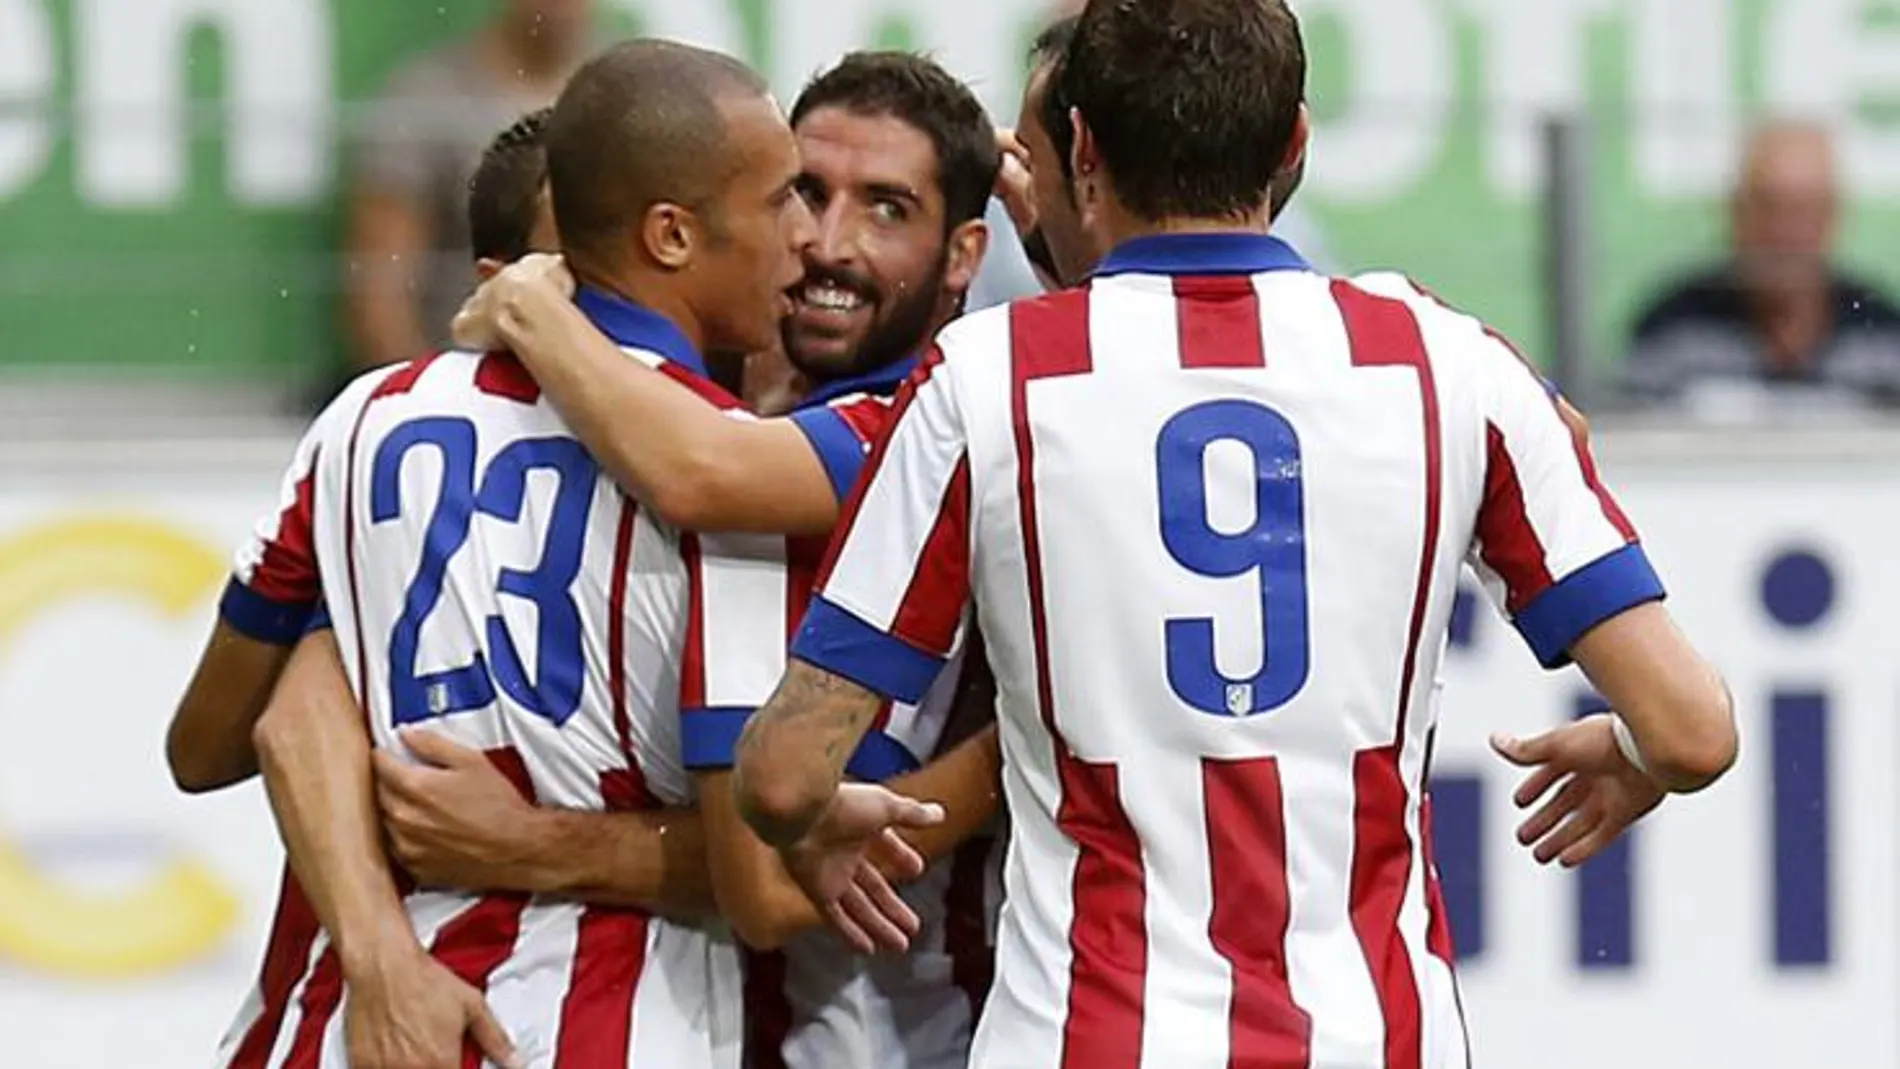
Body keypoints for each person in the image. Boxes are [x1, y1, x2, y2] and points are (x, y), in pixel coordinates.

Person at [732, 6, 1738, 1069]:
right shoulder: (1450, 363)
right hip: (1373, 1037)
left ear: (1080, 149)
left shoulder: (988, 380)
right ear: (1296, 142)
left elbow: (788, 774)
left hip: (1086, 1035)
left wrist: (814, 817)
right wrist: (1634, 758)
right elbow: (1690, 730)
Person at [207, 40, 837, 1069]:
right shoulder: (738, 480)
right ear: (671, 235)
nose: (806, 241)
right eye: (781, 203)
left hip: (350, 1029)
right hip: (601, 1027)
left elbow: (245, 728)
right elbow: (756, 876)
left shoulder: (367, 419)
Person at [452, 50, 1012, 1069]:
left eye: (888, 209)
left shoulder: (920, 429)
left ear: (965, 251)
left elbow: (763, 886)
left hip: (904, 1038)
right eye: (804, 190)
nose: (827, 243)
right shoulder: (736, 413)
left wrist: (535, 309)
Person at [166, 106, 563, 796]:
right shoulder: (373, 435)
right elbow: (210, 746)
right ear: (500, 281)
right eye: (584, 261)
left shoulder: (705, 448)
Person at [341, 0, 598, 377]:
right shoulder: (425, 99)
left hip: (601, 390)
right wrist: (422, 402)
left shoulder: (627, 97)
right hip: (467, 380)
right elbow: (379, 292)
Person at [1622, 120, 1900, 416]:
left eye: (1804, 211)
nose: (1786, 232)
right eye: (1769, 208)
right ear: (1735, 212)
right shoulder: (1674, 328)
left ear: (1834, 216)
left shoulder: (1881, 333)